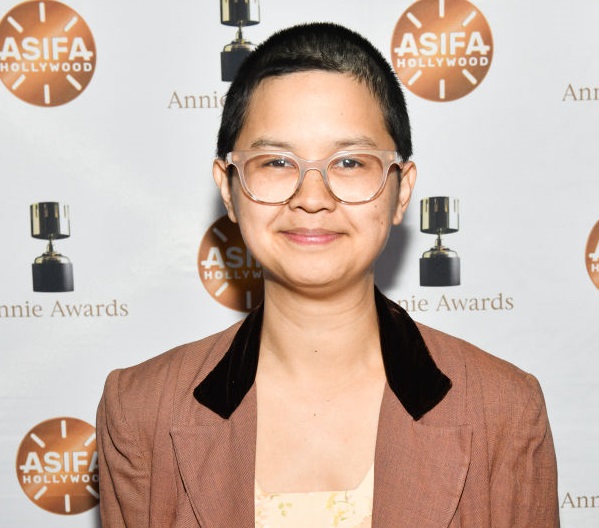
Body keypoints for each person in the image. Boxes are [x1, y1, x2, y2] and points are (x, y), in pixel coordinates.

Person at [96, 22, 559, 527]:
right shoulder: (142, 411)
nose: (312, 197)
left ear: (401, 190)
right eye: (276, 161)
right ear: (228, 187)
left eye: (349, 162)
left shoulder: (504, 410)